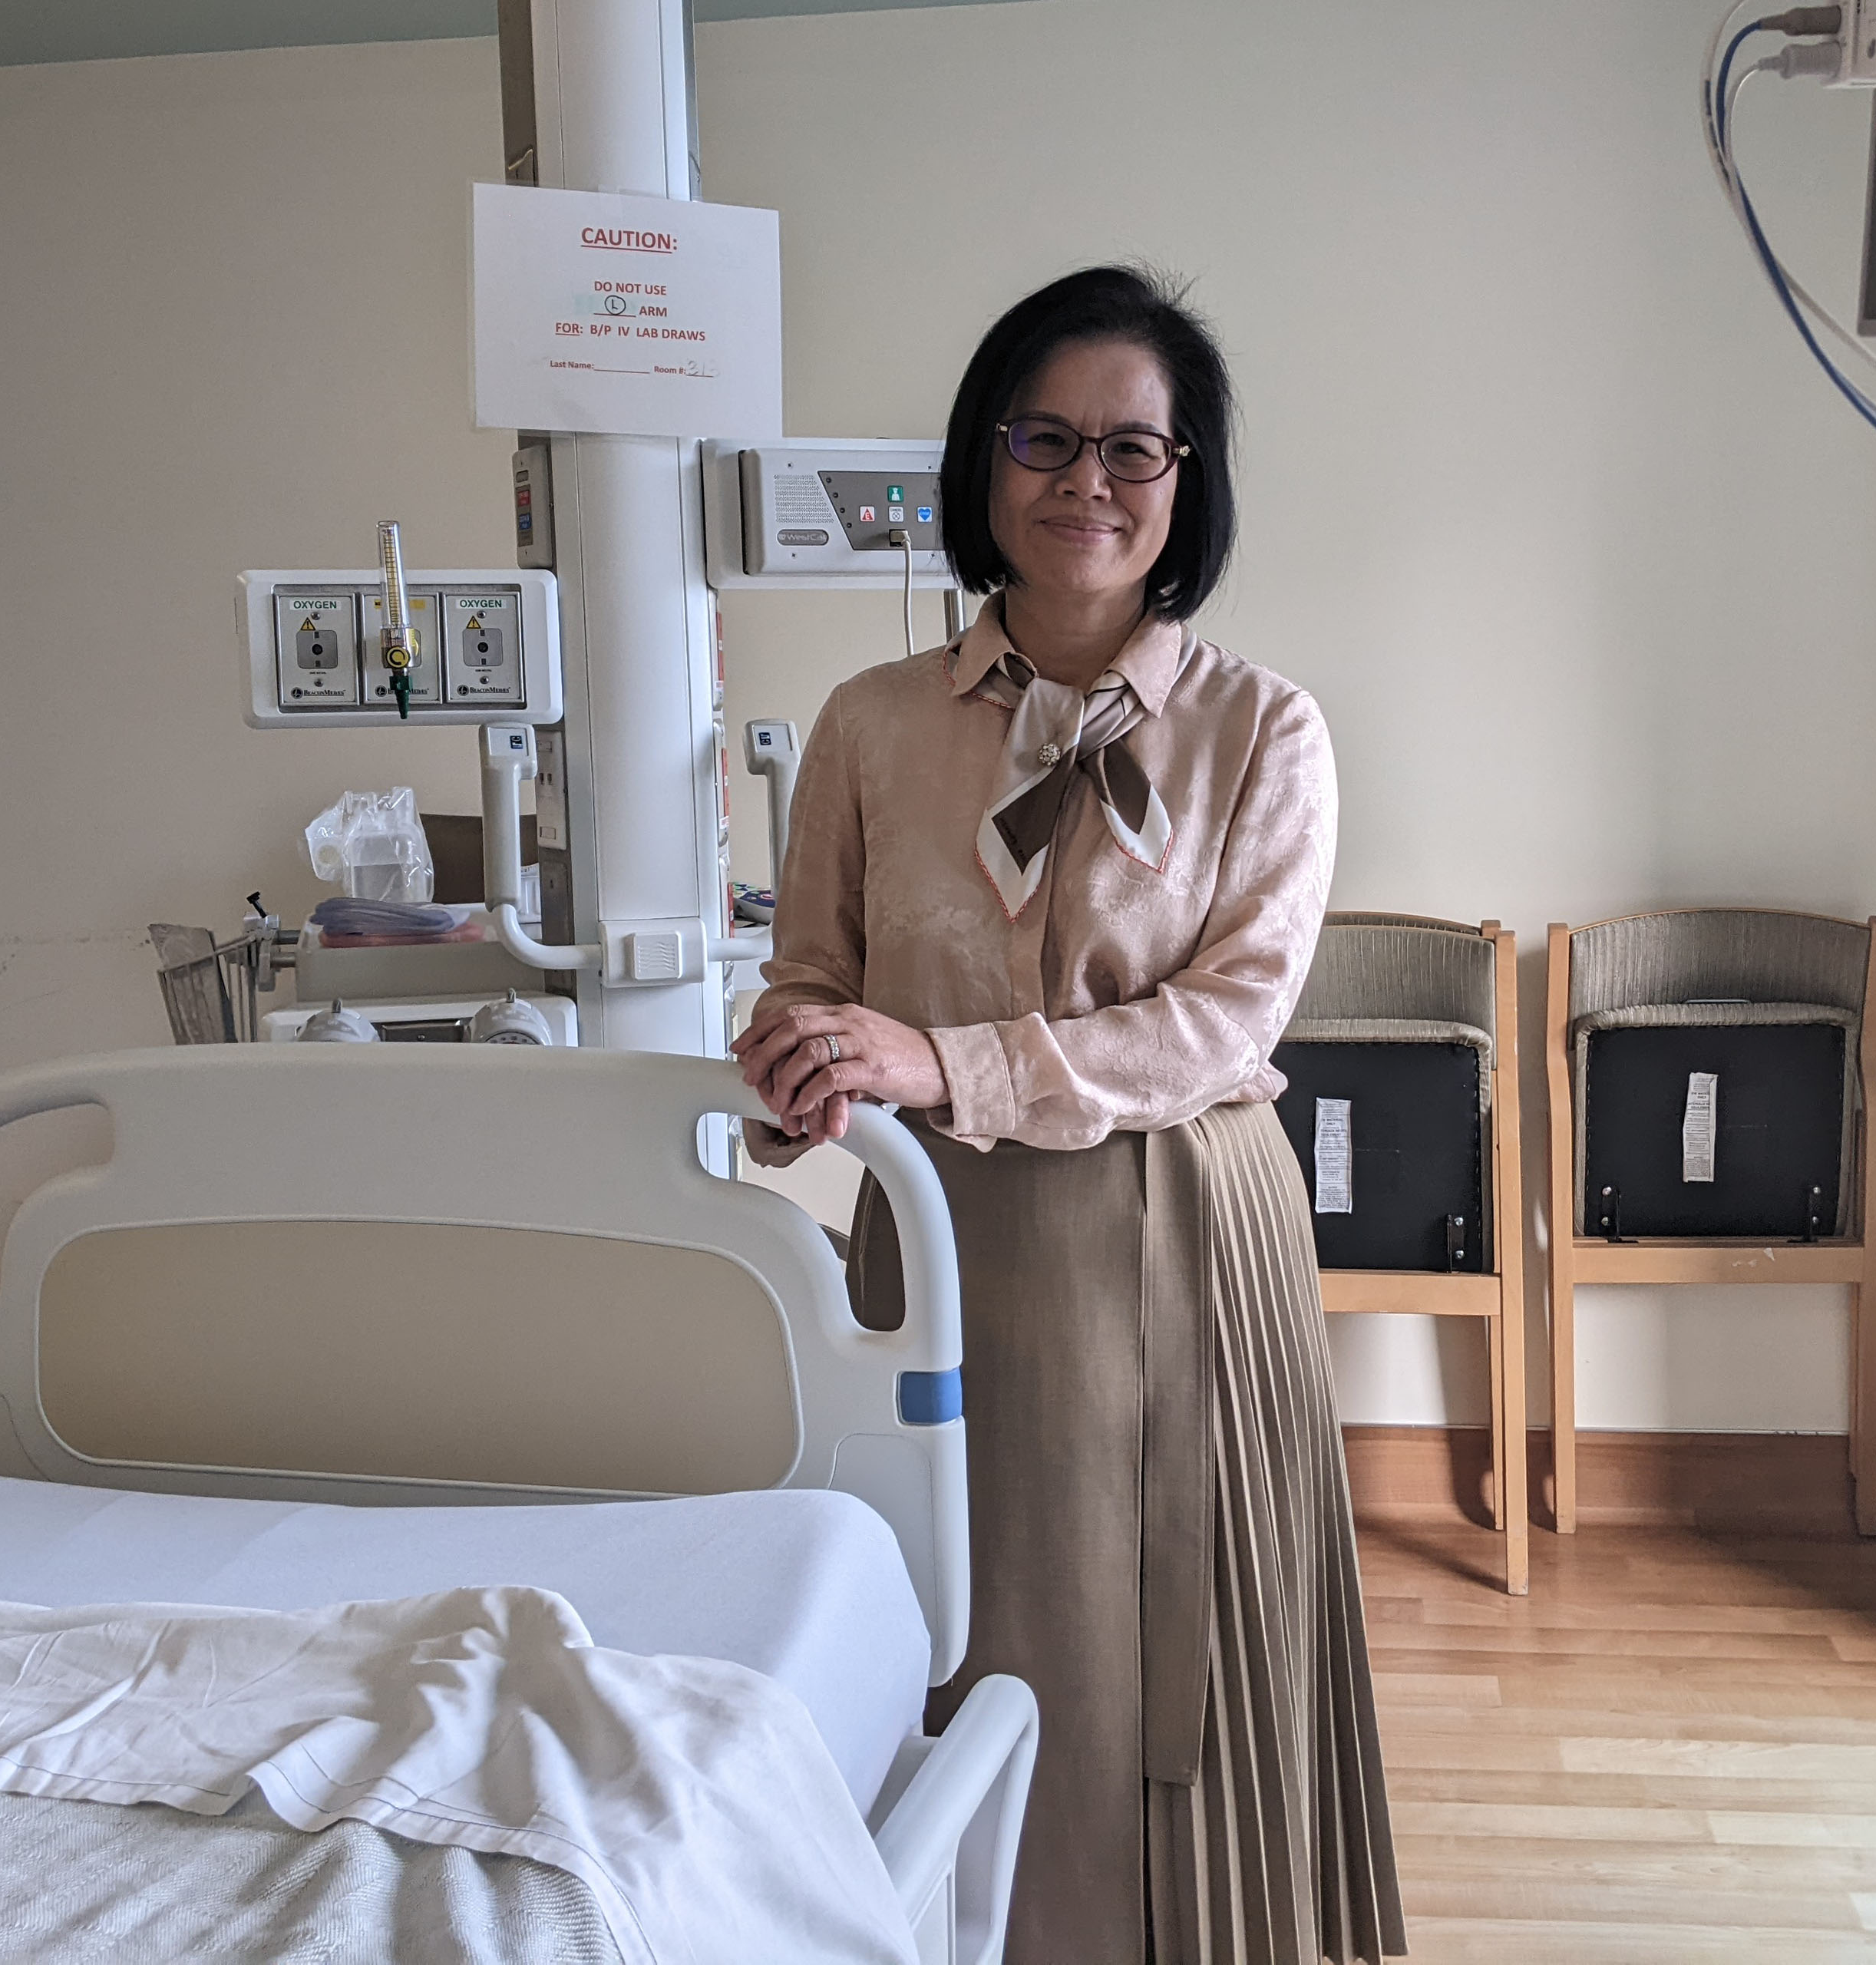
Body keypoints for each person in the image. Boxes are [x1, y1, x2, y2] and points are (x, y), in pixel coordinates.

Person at [735, 265, 1404, 1965]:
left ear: (1187, 481)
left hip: (1174, 1234)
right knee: (945, 1608)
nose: (1086, 481)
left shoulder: (1266, 731)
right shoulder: (871, 725)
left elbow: (1224, 1024)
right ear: (984, 458)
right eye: (1046, 435)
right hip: (937, 1236)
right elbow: (811, 971)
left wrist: (946, 1062)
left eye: (1134, 447)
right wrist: (796, 1065)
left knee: (1150, 1642)